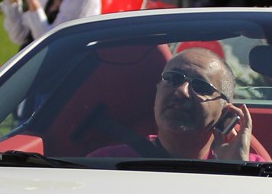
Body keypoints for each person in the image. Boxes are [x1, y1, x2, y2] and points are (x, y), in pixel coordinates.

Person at [89, 48, 260, 161]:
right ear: (157, 90)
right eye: (173, 79)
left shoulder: (252, 166)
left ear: (226, 112)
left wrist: (237, 170)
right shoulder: (106, 163)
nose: (182, 91)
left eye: (200, 86)